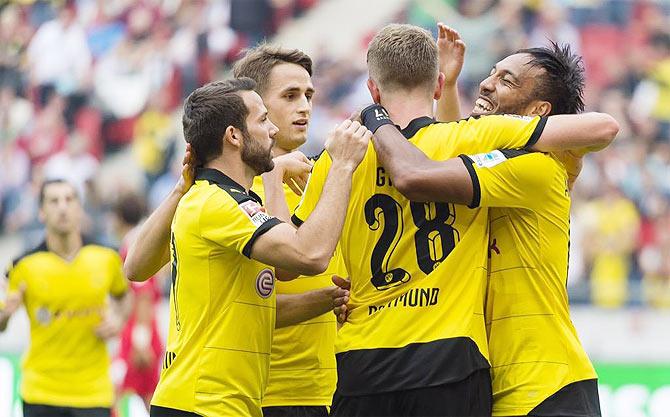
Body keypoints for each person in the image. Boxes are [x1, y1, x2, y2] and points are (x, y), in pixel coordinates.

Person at [295, 23, 617, 417]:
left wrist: (376, 118)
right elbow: (450, 148)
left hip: (545, 385)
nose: (485, 84)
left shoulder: (538, 167)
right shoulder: (484, 155)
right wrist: (445, 88)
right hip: (485, 382)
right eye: (491, 72)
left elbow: (423, 171)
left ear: (538, 113)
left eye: (506, 80)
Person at [141, 78, 370, 417]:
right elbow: (309, 255)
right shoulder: (219, 204)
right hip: (204, 403)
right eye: (263, 120)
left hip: (223, 403)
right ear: (234, 135)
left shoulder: (228, 200)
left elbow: (259, 304)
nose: (273, 130)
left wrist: (326, 298)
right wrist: (343, 165)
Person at [233, 44, 345, 417]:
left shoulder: (324, 181)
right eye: (290, 95)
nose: (305, 106)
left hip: (336, 389)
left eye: (309, 95)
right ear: (253, 107)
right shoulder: (237, 197)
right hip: (269, 397)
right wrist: (337, 297)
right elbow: (249, 311)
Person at [0, 179, 131, 417]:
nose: (62, 207)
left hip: (93, 393)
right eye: (54, 201)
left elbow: (124, 298)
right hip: (41, 392)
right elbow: (1, 324)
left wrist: (119, 320)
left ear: (79, 209)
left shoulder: (107, 257)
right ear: (41, 212)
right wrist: (5, 315)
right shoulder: (22, 266)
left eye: (69, 200)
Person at [113, 193, 163, 412]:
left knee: (112, 391)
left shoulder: (133, 245)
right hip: (141, 331)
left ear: (118, 218)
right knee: (150, 397)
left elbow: (143, 294)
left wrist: (140, 341)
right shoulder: (142, 238)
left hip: (138, 335)